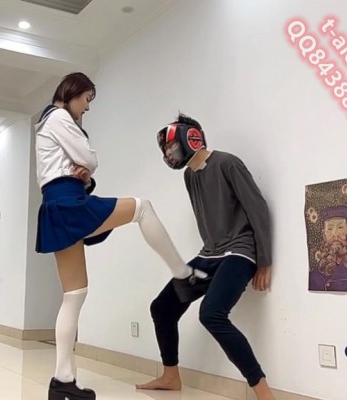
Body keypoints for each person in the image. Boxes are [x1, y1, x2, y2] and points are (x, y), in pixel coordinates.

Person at [34, 73, 209, 400]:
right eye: (86, 99)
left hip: (58, 204)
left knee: (74, 295)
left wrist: (85, 177)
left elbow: (75, 171)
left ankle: (62, 380)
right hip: (69, 204)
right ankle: (183, 274)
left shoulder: (46, 122)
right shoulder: (59, 117)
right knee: (142, 207)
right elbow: (90, 159)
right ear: (73, 92)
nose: (87, 108)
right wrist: (87, 167)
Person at [135, 114, 276, 400]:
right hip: (210, 255)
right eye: (165, 149)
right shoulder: (189, 176)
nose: (168, 153)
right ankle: (171, 377)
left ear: (191, 138)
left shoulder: (227, 163)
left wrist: (264, 261)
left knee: (211, 314)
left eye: (171, 146)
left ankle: (264, 393)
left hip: (239, 252)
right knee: (162, 308)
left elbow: (258, 208)